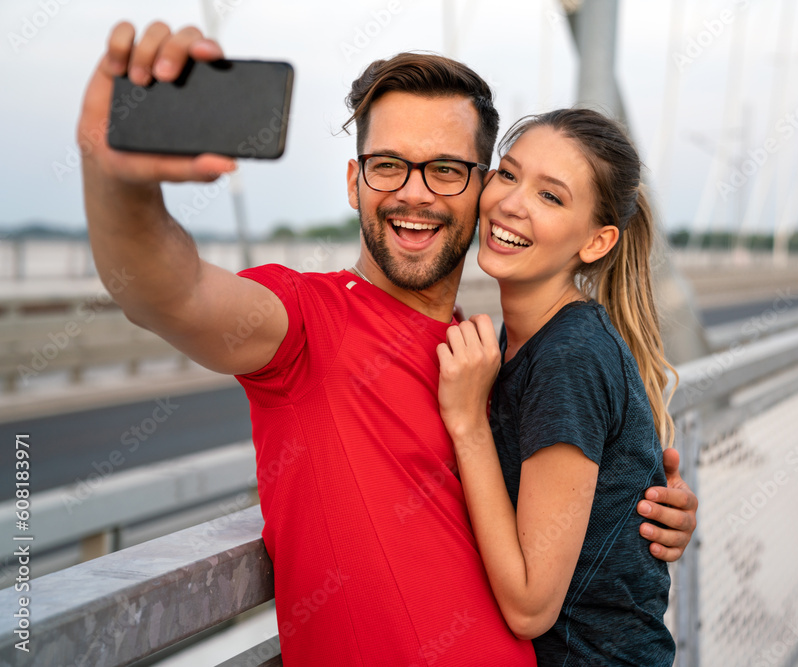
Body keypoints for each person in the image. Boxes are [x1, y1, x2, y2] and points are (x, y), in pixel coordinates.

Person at [77, 20, 698, 665]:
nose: (414, 192)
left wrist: (631, 513)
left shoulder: (484, 360)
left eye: (447, 170)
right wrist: (118, 179)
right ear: (355, 182)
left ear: (481, 186)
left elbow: (552, 527)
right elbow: (169, 292)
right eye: (389, 165)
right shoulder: (304, 323)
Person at [437, 109, 678, 665]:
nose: (512, 203)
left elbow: (529, 608)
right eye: (508, 174)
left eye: (551, 197)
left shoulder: (569, 357)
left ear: (596, 243)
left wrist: (468, 421)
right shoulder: (525, 341)